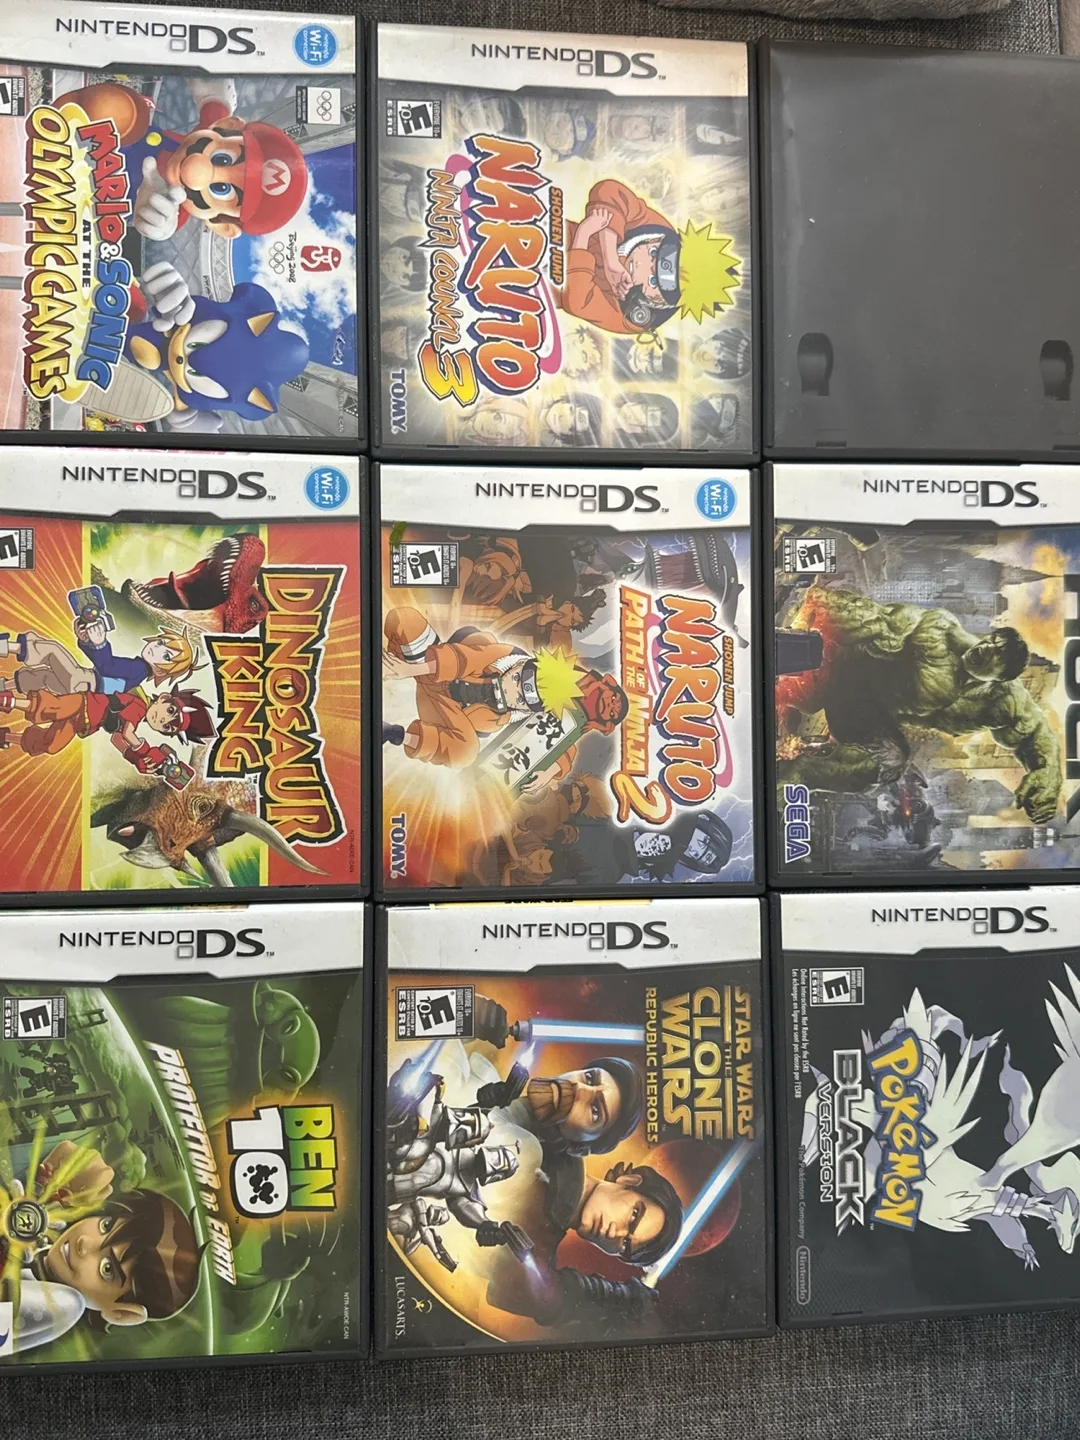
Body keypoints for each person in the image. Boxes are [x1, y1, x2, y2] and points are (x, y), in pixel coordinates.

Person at [778, 587, 1060, 822]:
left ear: (1001, 677)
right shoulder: (939, 632)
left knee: (890, 761)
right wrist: (816, 607)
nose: (986, 649)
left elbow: (1034, 733)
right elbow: (876, 621)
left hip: (862, 714)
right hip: (840, 669)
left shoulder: (1001, 702)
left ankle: (798, 775)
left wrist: (1047, 772)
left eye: (997, 655)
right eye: (992, 642)